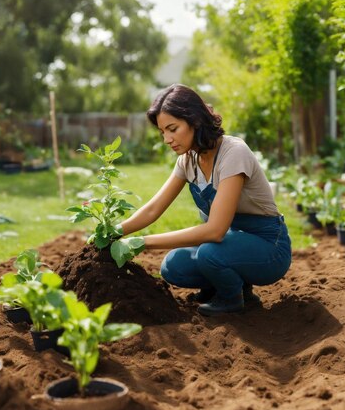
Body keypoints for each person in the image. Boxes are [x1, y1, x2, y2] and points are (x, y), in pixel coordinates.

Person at [120, 84, 292, 316]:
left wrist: (143, 242)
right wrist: (116, 231)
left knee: (209, 253)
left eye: (173, 128)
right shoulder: (188, 159)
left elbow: (215, 230)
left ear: (195, 120)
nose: (167, 139)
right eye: (163, 132)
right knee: (173, 266)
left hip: (268, 246)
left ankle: (233, 298)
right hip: (230, 244)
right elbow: (153, 209)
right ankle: (222, 285)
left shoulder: (233, 153)